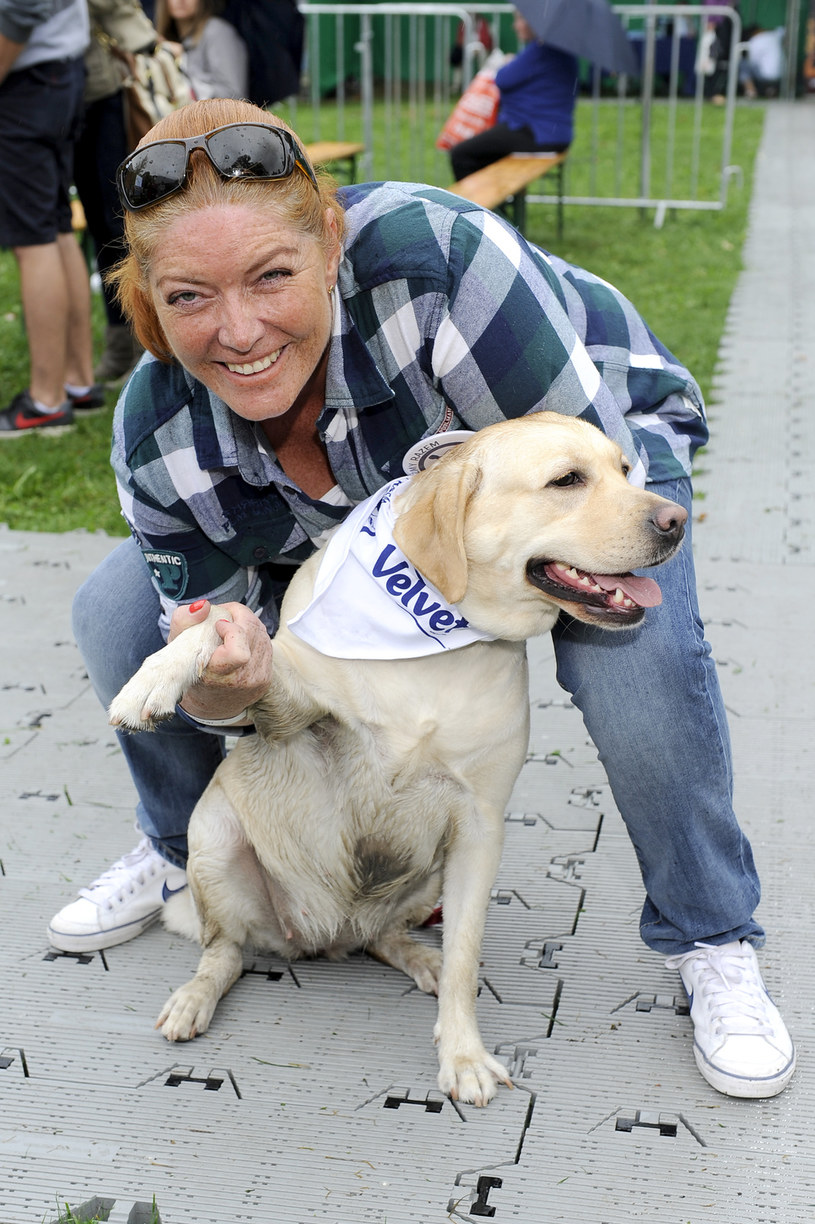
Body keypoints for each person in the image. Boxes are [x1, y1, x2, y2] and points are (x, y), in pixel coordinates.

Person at [48, 96, 795, 1102]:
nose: (237, 330)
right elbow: (229, 676)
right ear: (145, 293)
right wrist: (231, 675)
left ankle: (708, 934)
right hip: (336, 518)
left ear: (328, 241)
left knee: (632, 656)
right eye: (188, 297)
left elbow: (580, 465)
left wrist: (498, 596)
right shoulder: (158, 434)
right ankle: (192, 853)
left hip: (560, 451)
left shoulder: (439, 265)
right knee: (113, 610)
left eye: (272, 276)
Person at [0, 0, 102, 435]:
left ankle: (46, 399)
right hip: (53, 73)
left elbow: (22, 6)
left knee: (34, 237)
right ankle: (77, 382)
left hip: (26, 76)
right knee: (56, 227)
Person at [75, 0, 158, 387]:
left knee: (118, 220)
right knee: (97, 223)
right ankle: (120, 344)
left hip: (103, 87)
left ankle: (144, 342)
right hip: (73, 88)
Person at [450, 9, 577, 182]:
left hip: (536, 133)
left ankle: (478, 209)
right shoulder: (561, 50)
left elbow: (503, 79)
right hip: (555, 133)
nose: (514, 26)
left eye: (519, 19)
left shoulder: (541, 49)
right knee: (485, 154)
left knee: (461, 154)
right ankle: (495, 207)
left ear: (534, 22)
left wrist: (508, 62)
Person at [155, 0, 248, 100]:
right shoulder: (163, 40)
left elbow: (233, 96)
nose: (181, 1)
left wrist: (181, 61)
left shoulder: (217, 32)